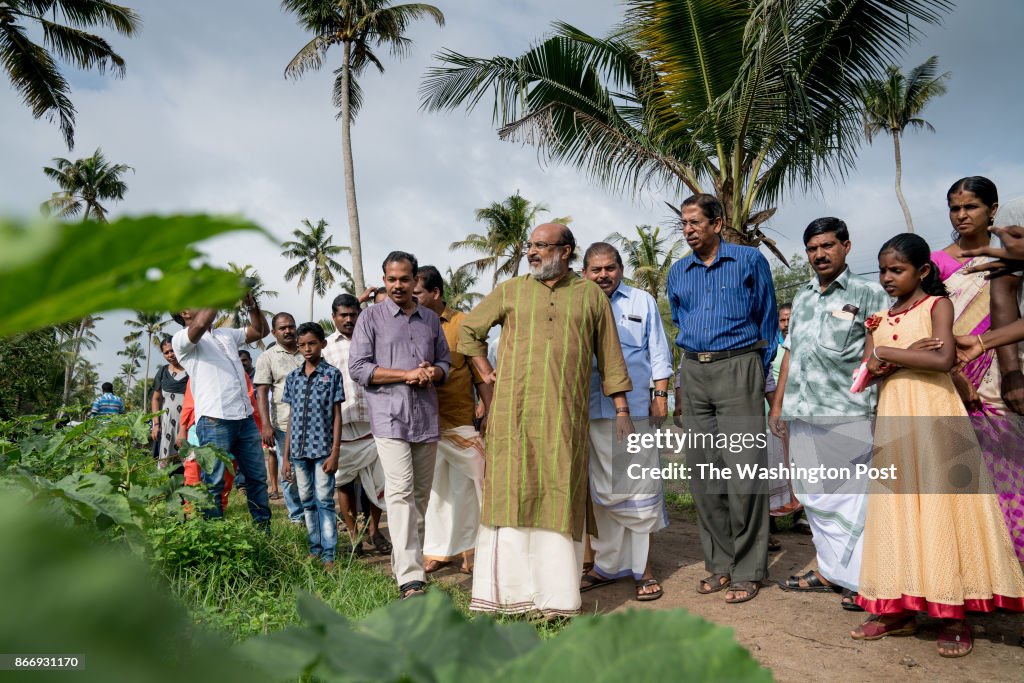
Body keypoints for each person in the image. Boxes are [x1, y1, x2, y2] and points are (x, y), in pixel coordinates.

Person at [851, 233, 1024, 657]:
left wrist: (886, 357)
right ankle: (899, 609)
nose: (888, 278)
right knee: (900, 512)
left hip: (935, 411)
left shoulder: (936, 306)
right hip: (894, 420)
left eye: (897, 270)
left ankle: (953, 616)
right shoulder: (877, 318)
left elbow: (942, 359)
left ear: (923, 271)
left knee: (945, 509)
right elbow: (865, 373)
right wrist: (897, 353)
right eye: (883, 270)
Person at [459, 223, 633, 619]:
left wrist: (622, 411)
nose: (532, 253)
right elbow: (469, 331)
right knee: (510, 495)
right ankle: (506, 598)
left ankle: (555, 601)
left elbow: (610, 358)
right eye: (530, 247)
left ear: (566, 251)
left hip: (564, 420)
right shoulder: (511, 290)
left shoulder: (590, 296)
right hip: (512, 418)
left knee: (559, 496)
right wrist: (487, 374)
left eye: (541, 246)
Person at [768, 217, 889, 610]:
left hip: (847, 413)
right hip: (803, 412)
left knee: (852, 499)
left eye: (827, 246)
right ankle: (828, 571)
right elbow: (790, 353)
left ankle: (860, 580)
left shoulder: (869, 294)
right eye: (812, 248)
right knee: (814, 497)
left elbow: (878, 352)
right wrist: (779, 404)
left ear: (846, 247)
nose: (819, 254)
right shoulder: (802, 298)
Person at [666, 193, 778, 604]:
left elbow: (768, 321)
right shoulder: (678, 272)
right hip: (695, 370)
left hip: (739, 367)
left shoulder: (749, 261)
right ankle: (720, 564)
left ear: (717, 222)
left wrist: (754, 371)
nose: (689, 230)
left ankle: (749, 569)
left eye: (695, 222)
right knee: (703, 475)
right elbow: (680, 322)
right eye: (684, 224)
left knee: (745, 471)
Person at [349, 252, 451, 600]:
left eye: (404, 279)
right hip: (389, 418)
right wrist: (406, 374)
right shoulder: (370, 319)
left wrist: (432, 372)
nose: (398, 285)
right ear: (384, 279)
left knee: (420, 497)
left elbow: (445, 363)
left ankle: (407, 564)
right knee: (400, 491)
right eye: (391, 279)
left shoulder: (430, 320)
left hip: (425, 416)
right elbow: (360, 368)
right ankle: (411, 578)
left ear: (413, 281)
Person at [933, 178, 1024, 570]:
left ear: (993, 209)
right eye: (955, 208)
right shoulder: (935, 262)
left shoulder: (1009, 258)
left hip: (997, 381)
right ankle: (968, 572)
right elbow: (929, 324)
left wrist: (1012, 375)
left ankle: (1010, 569)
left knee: (1008, 476)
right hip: (950, 379)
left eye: (971, 207)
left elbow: (1006, 313)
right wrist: (955, 373)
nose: (962, 215)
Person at [579, 243, 671, 601]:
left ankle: (642, 568)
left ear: (620, 268)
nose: (603, 275)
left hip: (633, 410)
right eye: (596, 269)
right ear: (585, 272)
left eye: (610, 268)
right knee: (603, 492)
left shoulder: (641, 301)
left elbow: (658, 350)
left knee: (639, 487)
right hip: (589, 409)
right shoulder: (579, 302)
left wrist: (660, 396)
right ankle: (607, 565)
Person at [413, 266, 493, 576]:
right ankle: (437, 552)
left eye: (417, 293)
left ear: (435, 293)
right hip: (424, 423)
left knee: (467, 490)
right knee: (435, 493)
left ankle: (470, 551)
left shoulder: (463, 325)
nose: (412, 298)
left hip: (459, 420)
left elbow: (481, 374)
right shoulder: (411, 324)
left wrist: (490, 411)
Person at [170, 293, 271, 527]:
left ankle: (263, 533)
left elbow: (259, 331)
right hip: (214, 420)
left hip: (244, 417)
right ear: (185, 313)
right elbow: (202, 322)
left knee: (257, 479)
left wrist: (251, 304)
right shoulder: (182, 340)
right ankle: (214, 535)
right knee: (214, 482)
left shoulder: (225, 334)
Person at [323, 291, 390, 555]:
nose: (349, 319)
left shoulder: (373, 341)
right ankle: (354, 537)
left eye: (353, 314)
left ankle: (375, 531)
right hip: (342, 425)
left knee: (379, 483)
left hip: (374, 421)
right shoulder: (325, 347)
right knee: (344, 483)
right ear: (334, 317)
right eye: (344, 315)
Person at [281, 323, 345, 569]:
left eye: (312, 343)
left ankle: (329, 553)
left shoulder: (331, 375)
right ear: (297, 347)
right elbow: (291, 417)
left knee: (325, 500)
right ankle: (314, 547)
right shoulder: (294, 378)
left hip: (323, 451)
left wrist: (335, 452)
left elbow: (337, 416)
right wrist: (285, 457)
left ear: (322, 344)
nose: (307, 349)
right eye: (302, 345)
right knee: (307, 500)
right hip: (297, 451)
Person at [253, 313, 305, 524]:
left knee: (312, 470)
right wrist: (266, 425)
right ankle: (297, 517)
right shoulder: (268, 357)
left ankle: (314, 512)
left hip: (314, 424)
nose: (288, 331)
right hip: (283, 424)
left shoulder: (307, 349)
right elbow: (262, 392)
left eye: (291, 326)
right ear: (274, 332)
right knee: (289, 471)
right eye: (282, 328)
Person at [150, 338, 189, 470]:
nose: (170, 354)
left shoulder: (191, 370)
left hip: (187, 424)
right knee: (165, 464)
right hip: (167, 425)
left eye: (172, 350)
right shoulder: (162, 372)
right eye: (166, 352)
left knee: (189, 462)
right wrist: (156, 424)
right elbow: (155, 399)